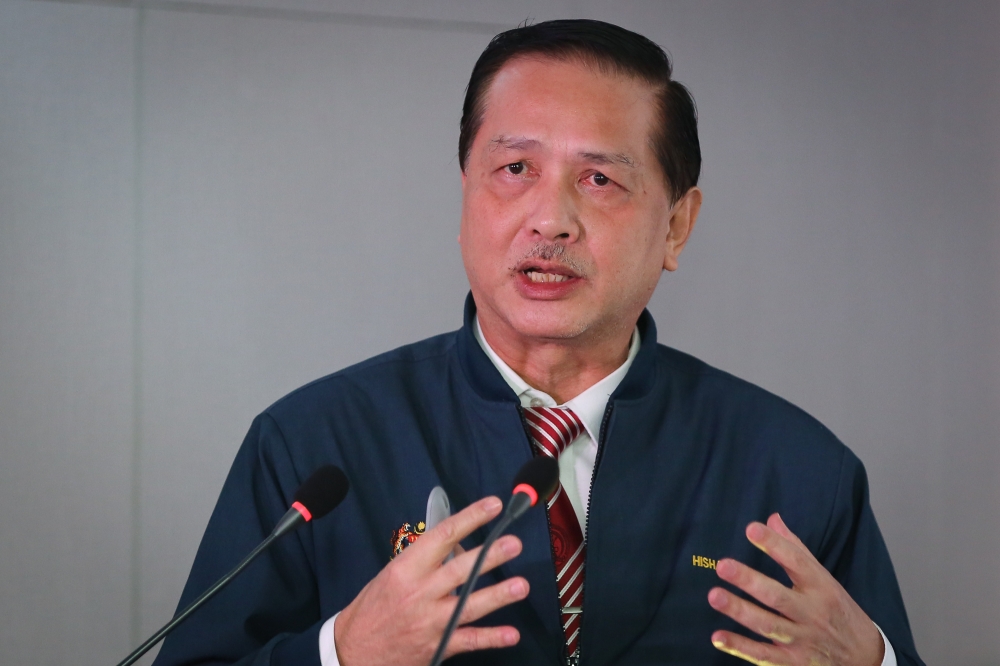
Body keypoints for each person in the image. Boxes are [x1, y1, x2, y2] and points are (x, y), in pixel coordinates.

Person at [151, 19, 923, 666]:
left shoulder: (795, 468)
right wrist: (341, 654)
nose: (549, 220)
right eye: (514, 168)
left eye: (599, 180)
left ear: (677, 227)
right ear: (465, 200)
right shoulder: (313, 448)